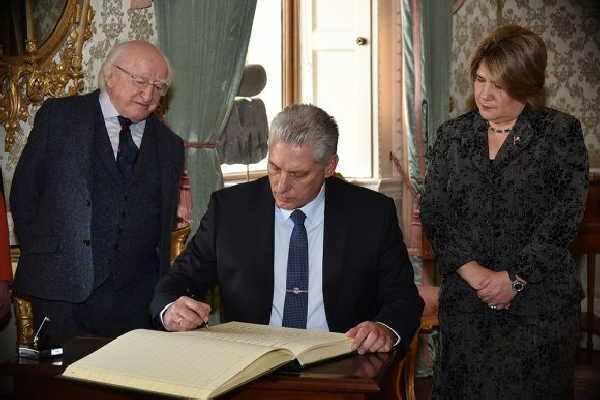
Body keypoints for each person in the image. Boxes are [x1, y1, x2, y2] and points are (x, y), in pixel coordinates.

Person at [151, 104, 423, 354]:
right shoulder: (231, 209)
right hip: (249, 358)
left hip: (343, 359)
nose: (281, 186)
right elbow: (179, 280)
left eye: (298, 174)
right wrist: (171, 307)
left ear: (329, 166)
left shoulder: (371, 214)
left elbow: (403, 299)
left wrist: (384, 328)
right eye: (274, 168)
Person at [420, 25, 588, 399]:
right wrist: (475, 273)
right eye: (480, 79)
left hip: (539, 305)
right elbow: (434, 210)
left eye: (498, 84)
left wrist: (514, 279)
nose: (484, 93)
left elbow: (565, 216)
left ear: (527, 84)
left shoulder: (560, 132)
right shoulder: (453, 134)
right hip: (467, 303)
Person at [10, 40, 184, 346]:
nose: (149, 95)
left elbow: (161, 223)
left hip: (136, 300)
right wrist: (48, 254)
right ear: (109, 75)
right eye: (141, 82)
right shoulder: (59, 117)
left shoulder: (170, 145)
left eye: (159, 86)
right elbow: (25, 195)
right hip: (62, 293)